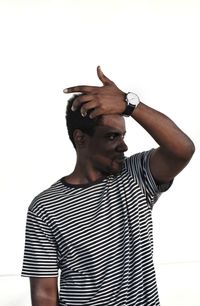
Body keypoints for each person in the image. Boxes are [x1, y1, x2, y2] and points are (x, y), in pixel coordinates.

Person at [21, 66, 195, 306]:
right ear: (81, 138)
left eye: (123, 136)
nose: (123, 146)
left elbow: (182, 150)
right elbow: (44, 294)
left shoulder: (137, 176)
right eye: (112, 136)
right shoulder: (45, 207)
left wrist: (129, 105)